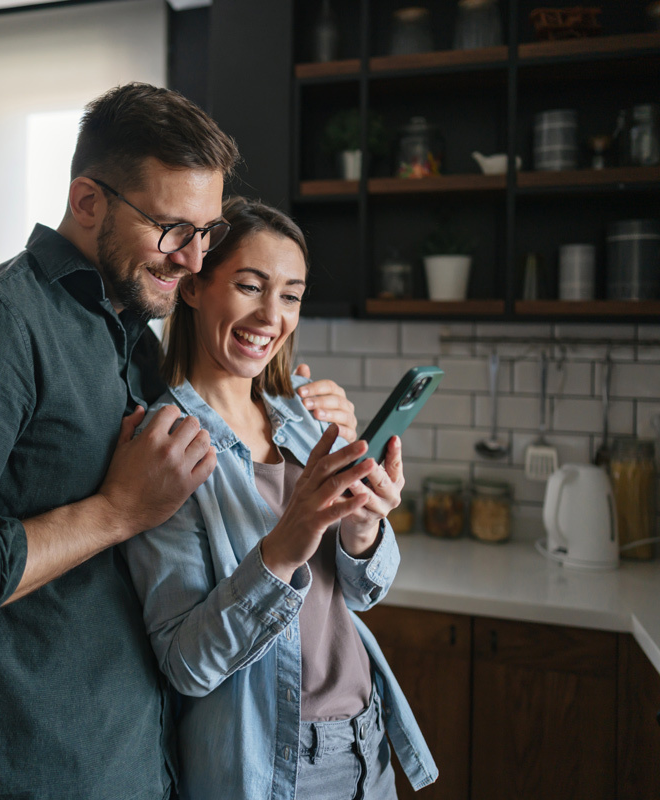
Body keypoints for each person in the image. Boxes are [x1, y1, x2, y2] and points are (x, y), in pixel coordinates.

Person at [0, 84, 358, 800]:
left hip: (132, 767)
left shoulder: (135, 346)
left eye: (207, 232)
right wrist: (116, 511)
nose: (192, 259)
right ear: (87, 201)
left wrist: (289, 405)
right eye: (172, 228)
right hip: (14, 774)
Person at [122, 196, 438, 800]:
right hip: (274, 762)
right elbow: (187, 665)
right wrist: (285, 545)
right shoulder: (166, 447)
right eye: (249, 285)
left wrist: (363, 528)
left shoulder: (300, 416)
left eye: (290, 295)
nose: (272, 315)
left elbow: (362, 593)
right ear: (192, 287)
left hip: (366, 738)